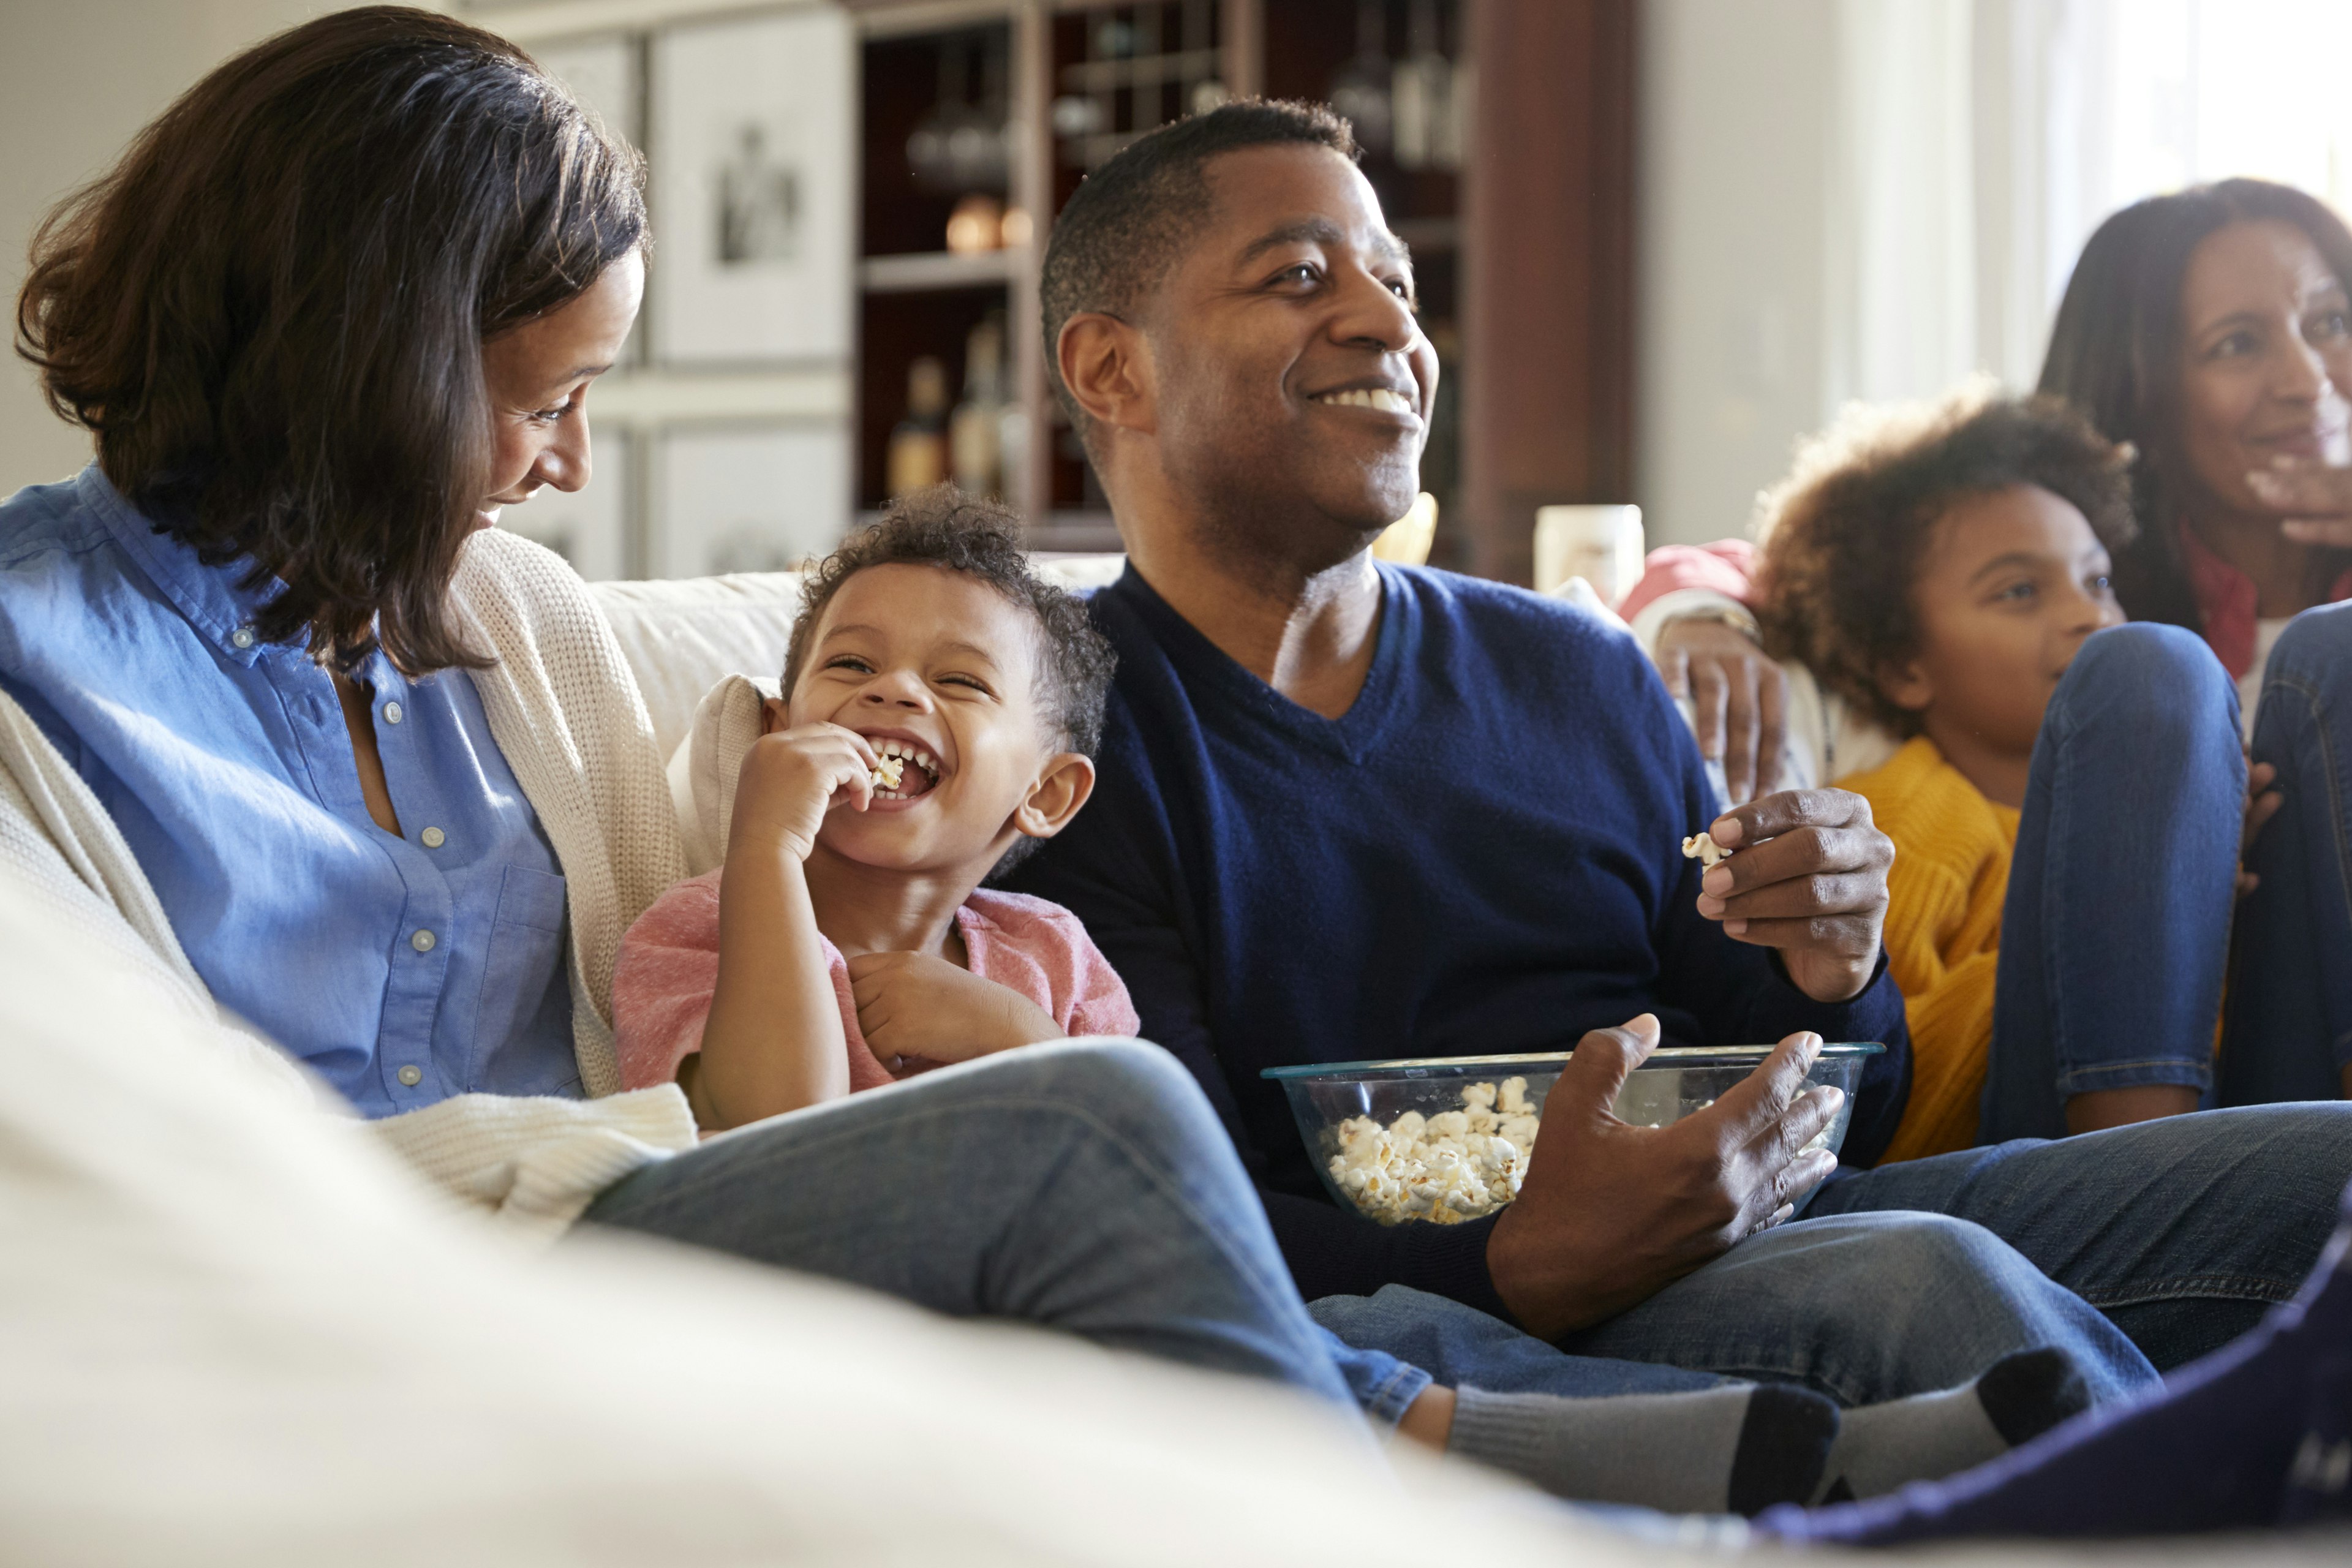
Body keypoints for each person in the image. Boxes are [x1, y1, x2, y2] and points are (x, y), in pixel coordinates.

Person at [1005, 99, 2352, 1400]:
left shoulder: (1574, 668)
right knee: (1924, 1283)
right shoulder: (1057, 738)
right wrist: (1514, 1261)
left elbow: (1845, 1112)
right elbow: (1166, 1200)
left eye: (1401, 282)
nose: (1389, 324)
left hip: (1790, 1215)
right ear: (1111, 367)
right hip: (1469, 1314)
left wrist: (1831, 967)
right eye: (1299, 277)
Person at [1624, 181, 2352, 1104]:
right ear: (2146, 401)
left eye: (2331, 319)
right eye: (2238, 343)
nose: (2308, 378)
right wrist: (1698, 606)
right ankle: (2133, 1182)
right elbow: (1811, 573)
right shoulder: (2103, 674)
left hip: (2277, 1074)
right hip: (2109, 1115)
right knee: (2151, 673)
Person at [1745, 384, 2332, 1151]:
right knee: (2153, 666)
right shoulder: (1908, 816)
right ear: (1902, 663)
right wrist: (2129, 900)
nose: (2088, 614)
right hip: (2046, 1165)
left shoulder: (2217, 792)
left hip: (2264, 1130)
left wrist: (2196, 882)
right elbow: (1893, 1106)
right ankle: (2142, 1185)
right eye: (2020, 590)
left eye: (2098, 580)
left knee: (2337, 651)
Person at [611, 491, 1133, 1128]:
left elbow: (1148, 1155)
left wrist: (1017, 1038)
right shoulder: (697, 929)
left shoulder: (1056, 956)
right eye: (853, 663)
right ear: (774, 736)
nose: (894, 688)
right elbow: (772, 1135)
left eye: (961, 680)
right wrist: (766, 846)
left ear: (1045, 794)